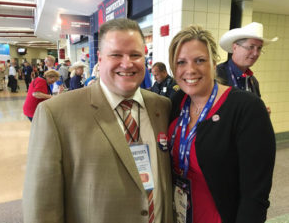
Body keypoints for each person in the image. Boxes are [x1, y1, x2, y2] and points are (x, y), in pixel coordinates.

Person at [23, 18, 173, 223]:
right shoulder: (55, 113)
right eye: (116, 55)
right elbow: (42, 207)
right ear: (100, 59)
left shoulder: (162, 107)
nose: (127, 63)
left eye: (135, 55)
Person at [168, 25, 275, 223]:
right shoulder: (177, 102)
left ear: (214, 62)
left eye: (200, 60)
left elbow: (255, 195)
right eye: (181, 62)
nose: (190, 70)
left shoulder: (246, 108)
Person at [217, 22, 278, 115]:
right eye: (251, 47)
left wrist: (261, 114)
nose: (255, 53)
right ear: (235, 47)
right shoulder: (217, 75)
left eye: (259, 48)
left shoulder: (253, 82)